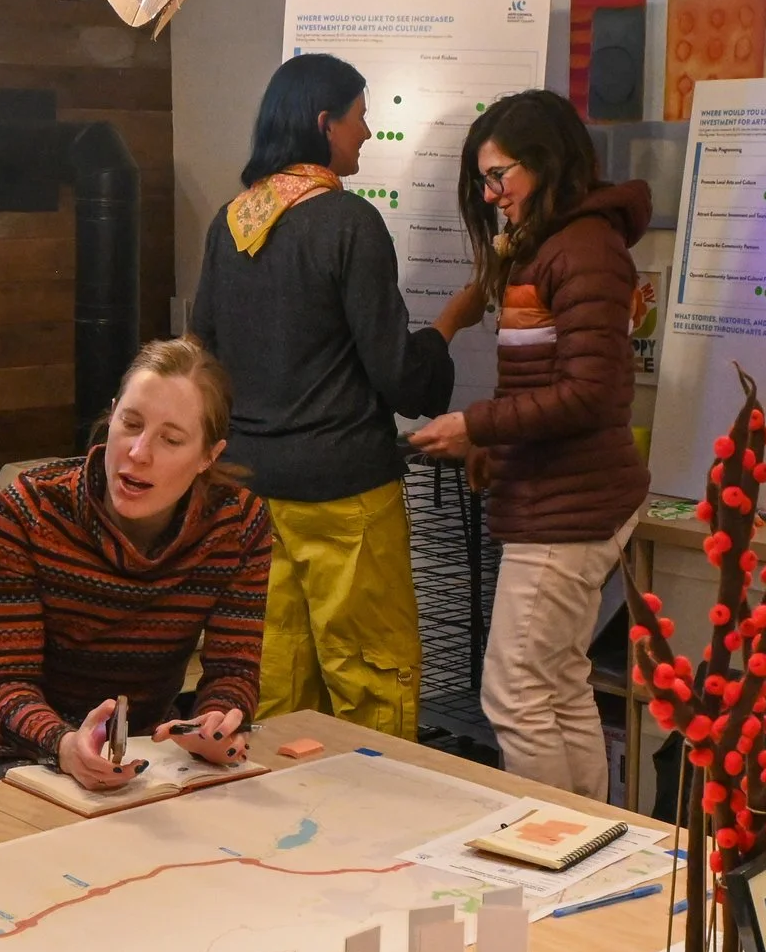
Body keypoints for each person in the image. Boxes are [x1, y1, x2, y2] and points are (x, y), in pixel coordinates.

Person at [192, 53, 480, 740]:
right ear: (324, 123)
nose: (369, 132)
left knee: (275, 684)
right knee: (372, 683)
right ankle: (377, 835)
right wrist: (451, 322)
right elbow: (398, 376)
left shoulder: (228, 224)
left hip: (250, 496)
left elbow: (200, 359)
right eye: (359, 116)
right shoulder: (349, 223)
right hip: (346, 496)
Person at [408, 90, 649, 798]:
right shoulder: (557, 246)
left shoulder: (585, 249)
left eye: (499, 177)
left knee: (514, 692)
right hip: (553, 496)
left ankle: (553, 851)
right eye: (482, 181)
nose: (491, 197)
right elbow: (550, 383)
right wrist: (494, 446)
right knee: (557, 682)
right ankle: (590, 852)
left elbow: (591, 392)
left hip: (570, 509)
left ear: (546, 165)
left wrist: (477, 425)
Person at [0, 339, 271, 792]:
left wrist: (215, 724)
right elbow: (5, 682)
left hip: (142, 750)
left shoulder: (238, 524)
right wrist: (64, 744)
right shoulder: (27, 510)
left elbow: (234, 671)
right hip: (12, 749)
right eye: (130, 423)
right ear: (111, 416)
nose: (138, 452)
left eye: (171, 439)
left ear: (208, 456)